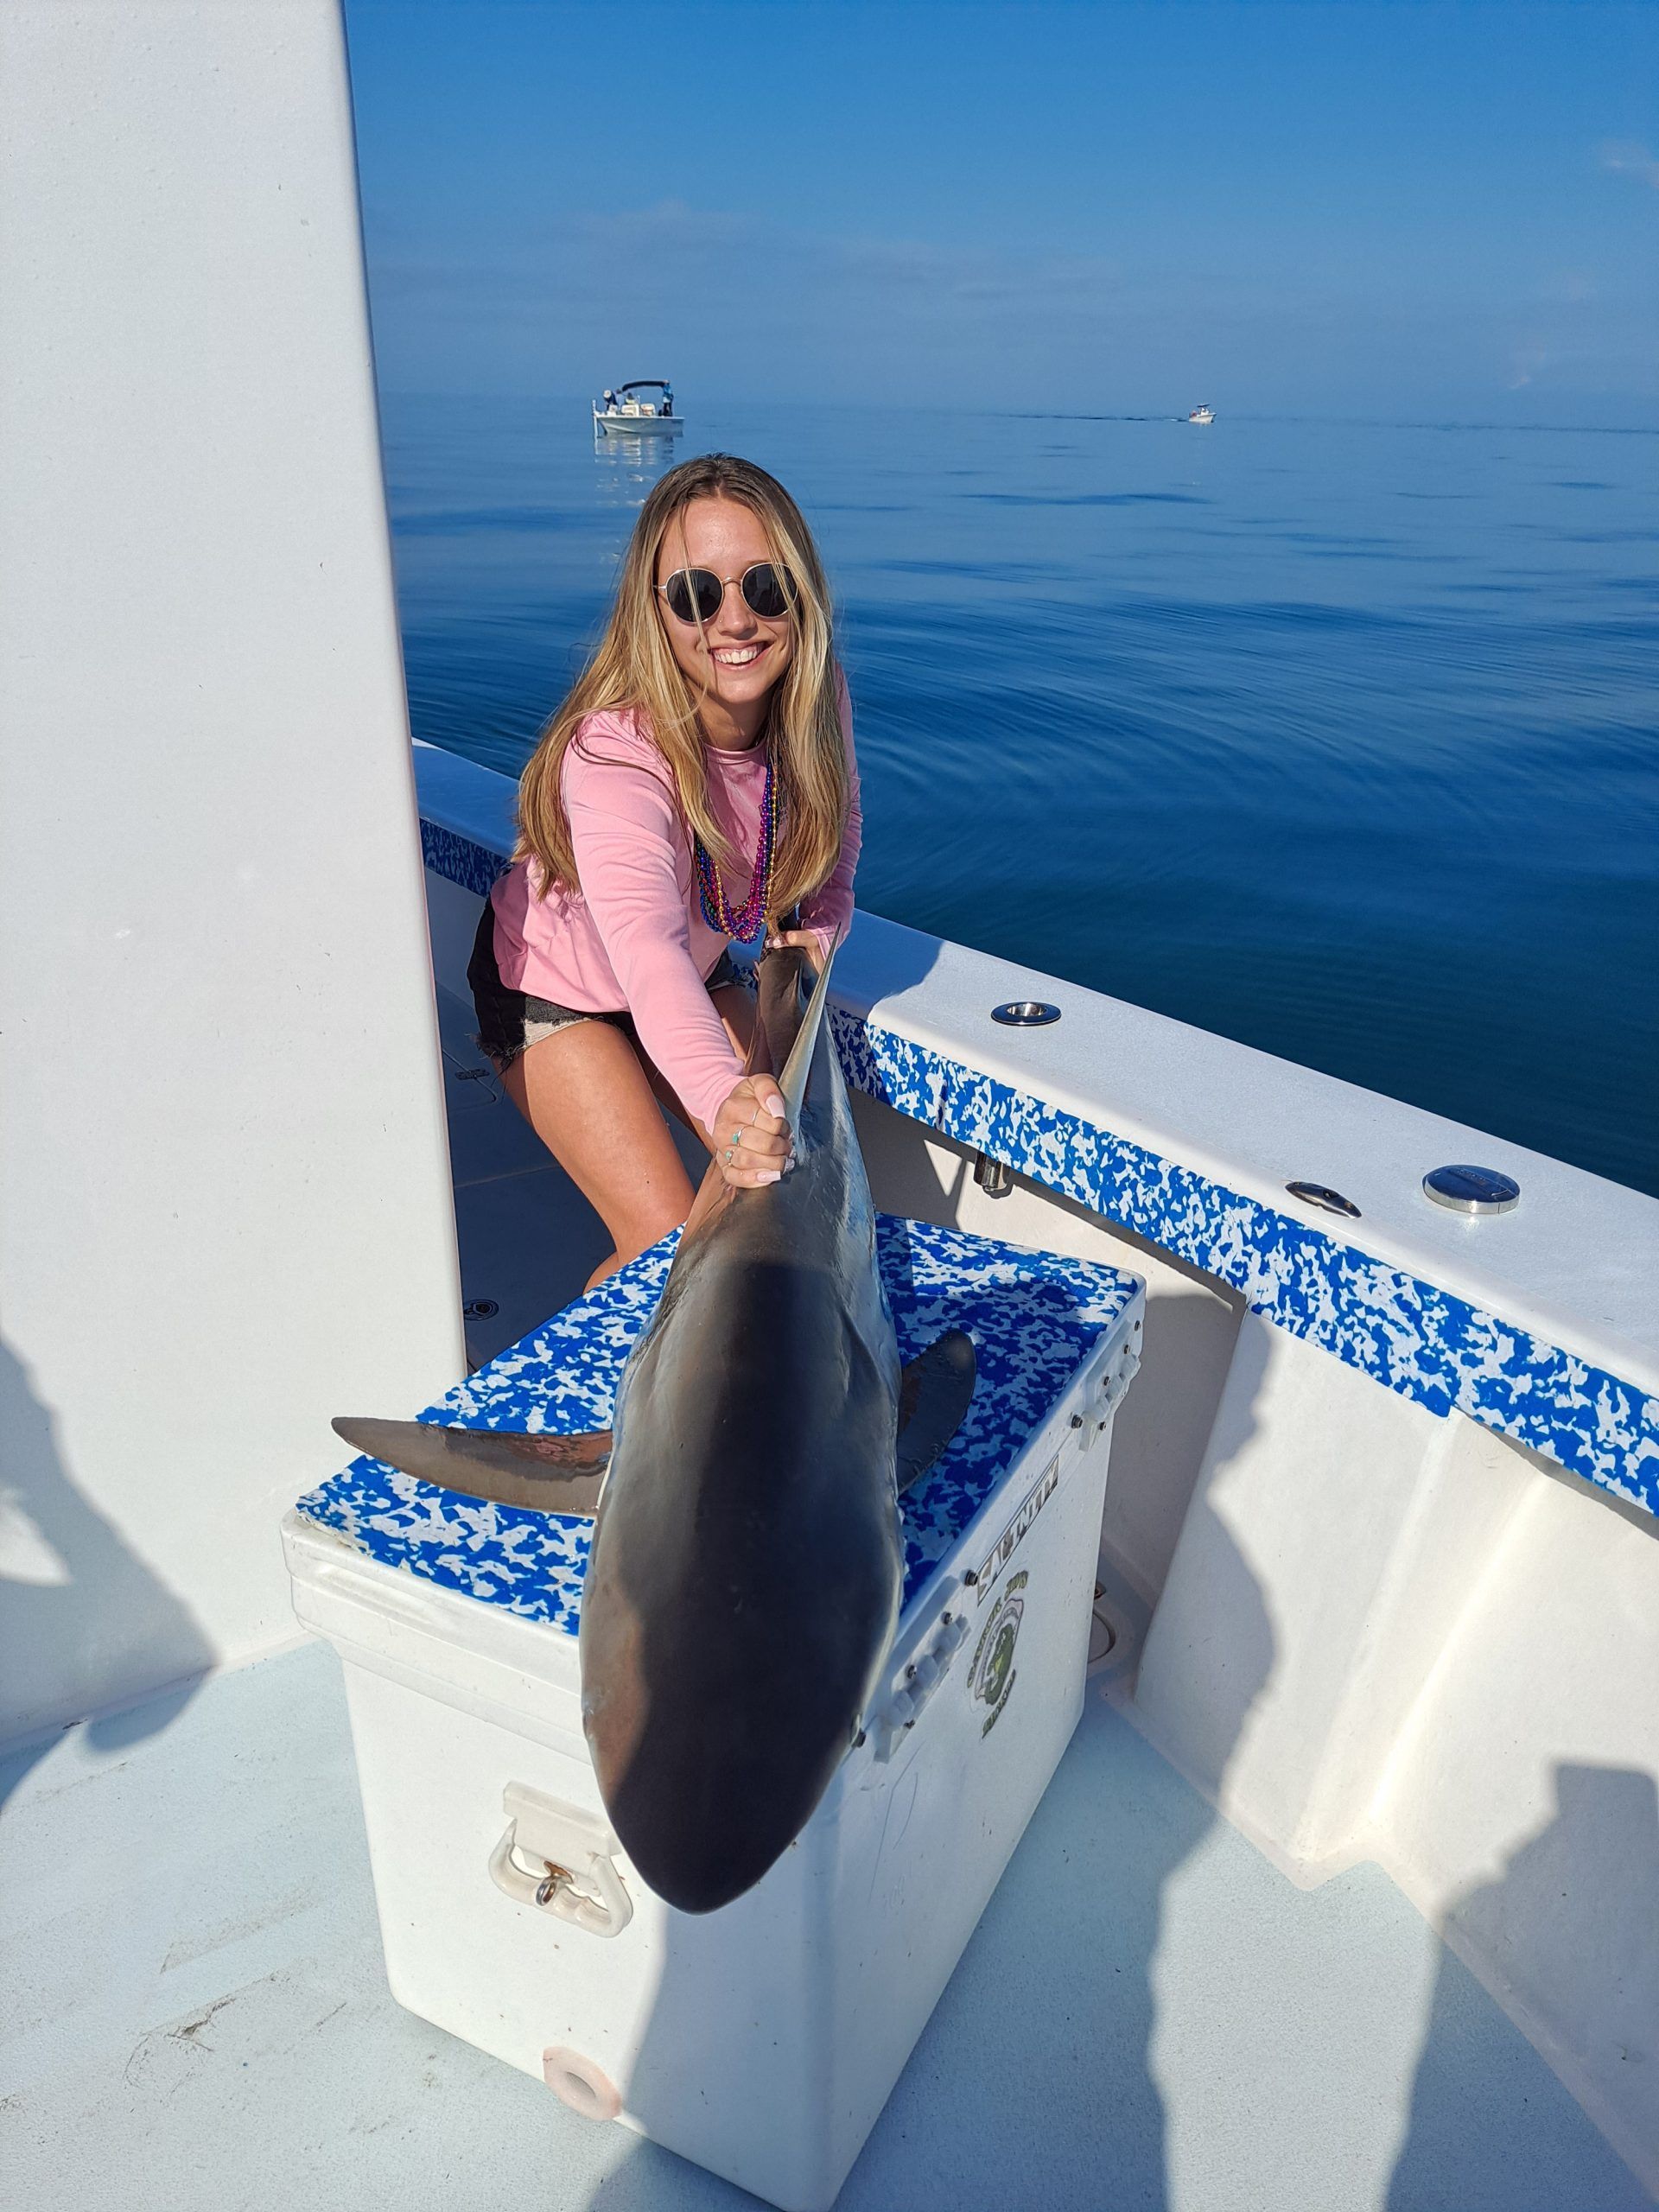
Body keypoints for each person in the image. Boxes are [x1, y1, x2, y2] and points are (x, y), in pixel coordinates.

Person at [469, 452, 861, 1289]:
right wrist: (725, 1099)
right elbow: (645, 946)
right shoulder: (614, 752)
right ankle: (587, 1418)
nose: (735, 620)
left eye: (764, 586)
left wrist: (811, 944)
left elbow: (836, 848)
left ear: (802, 593)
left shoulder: (817, 701)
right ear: (656, 611)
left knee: (773, 1189)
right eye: (696, 593)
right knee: (662, 1239)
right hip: (554, 992)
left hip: (691, 968)